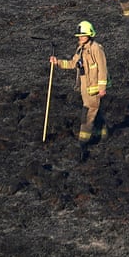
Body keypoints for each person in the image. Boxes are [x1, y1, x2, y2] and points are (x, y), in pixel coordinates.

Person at [51, 20, 109, 158]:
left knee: (87, 115)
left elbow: (103, 69)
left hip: (94, 90)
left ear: (90, 34)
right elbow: (72, 63)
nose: (80, 38)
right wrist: (57, 62)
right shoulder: (80, 49)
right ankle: (103, 135)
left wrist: (102, 88)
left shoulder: (96, 49)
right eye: (79, 36)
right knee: (95, 112)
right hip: (85, 90)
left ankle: (82, 143)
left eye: (83, 35)